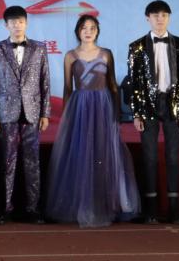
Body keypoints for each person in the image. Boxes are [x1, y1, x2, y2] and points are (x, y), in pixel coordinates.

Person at [44, 15, 139, 227]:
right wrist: (66, 116)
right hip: (80, 108)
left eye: (92, 28)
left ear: (97, 31)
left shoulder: (106, 54)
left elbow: (113, 85)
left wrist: (117, 113)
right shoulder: (70, 56)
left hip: (103, 106)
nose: (88, 31)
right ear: (78, 31)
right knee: (82, 152)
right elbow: (68, 88)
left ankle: (108, 204)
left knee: (105, 151)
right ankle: (83, 205)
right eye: (84, 28)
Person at [127, 0, 179, 224]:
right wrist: (136, 113)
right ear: (148, 19)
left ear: (169, 17)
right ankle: (151, 210)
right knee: (150, 157)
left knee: (173, 156)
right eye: (155, 15)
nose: (160, 19)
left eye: (164, 15)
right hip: (147, 106)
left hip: (173, 105)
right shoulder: (136, 46)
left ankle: (174, 208)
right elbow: (134, 82)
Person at [0, 5, 50, 224]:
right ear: (6, 25)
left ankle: (33, 208)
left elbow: (45, 82)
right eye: (13, 22)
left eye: (20, 22)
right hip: (6, 112)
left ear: (26, 23)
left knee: (33, 162)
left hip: (32, 112)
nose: (17, 26)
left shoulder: (40, 48)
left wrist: (45, 113)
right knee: (7, 161)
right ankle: (6, 208)